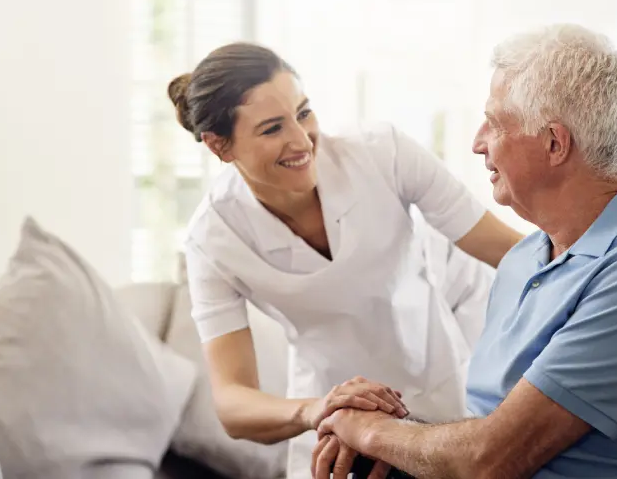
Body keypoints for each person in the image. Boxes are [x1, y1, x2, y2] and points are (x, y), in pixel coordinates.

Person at [313, 23, 617, 479]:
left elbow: (490, 459)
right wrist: (384, 435)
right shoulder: (523, 259)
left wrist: (368, 430)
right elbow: (488, 433)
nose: (478, 142)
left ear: (553, 143)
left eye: (496, 123)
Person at [168, 42, 524, 479]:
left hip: (441, 388)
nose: (301, 141)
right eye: (271, 129)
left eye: (303, 113)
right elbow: (233, 403)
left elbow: (510, 252)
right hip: (334, 425)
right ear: (219, 146)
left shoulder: (381, 152)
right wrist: (318, 409)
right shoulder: (212, 238)